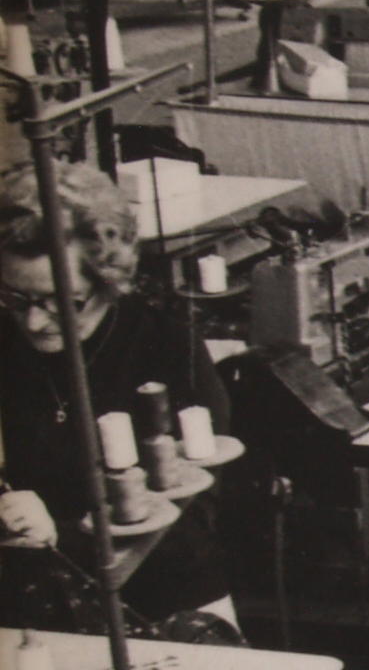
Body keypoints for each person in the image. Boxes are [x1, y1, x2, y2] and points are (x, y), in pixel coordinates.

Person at [0, 162, 238, 632]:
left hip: (165, 603)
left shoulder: (166, 345)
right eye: (15, 298)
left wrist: (60, 536)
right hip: (29, 607)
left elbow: (192, 517)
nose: (33, 323)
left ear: (108, 278)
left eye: (62, 302)